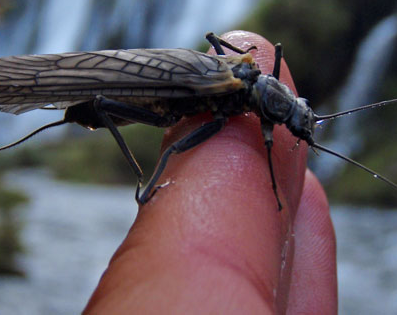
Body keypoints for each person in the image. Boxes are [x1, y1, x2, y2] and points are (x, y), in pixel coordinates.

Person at [84, 31, 338, 313]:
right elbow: (268, 145)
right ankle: (143, 190)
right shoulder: (243, 103)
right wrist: (275, 193)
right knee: (171, 150)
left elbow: (216, 39)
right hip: (158, 99)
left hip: (163, 85)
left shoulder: (253, 77)